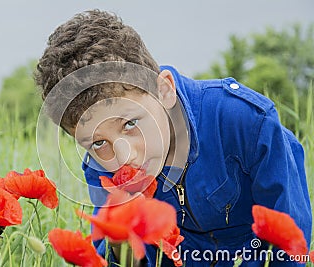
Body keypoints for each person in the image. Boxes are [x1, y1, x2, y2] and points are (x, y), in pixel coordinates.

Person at [34, 9, 312, 266]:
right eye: (97, 143)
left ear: (164, 90)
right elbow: (115, 259)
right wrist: (122, 229)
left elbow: (291, 242)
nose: (124, 157)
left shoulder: (245, 121)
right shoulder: (101, 168)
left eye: (130, 123)